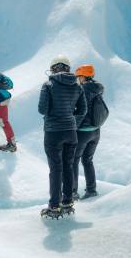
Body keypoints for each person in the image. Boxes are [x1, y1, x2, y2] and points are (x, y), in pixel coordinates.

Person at [38, 54, 87, 218]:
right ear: (68, 68)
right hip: (71, 132)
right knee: (68, 166)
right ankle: (67, 202)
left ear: (53, 69)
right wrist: (72, 121)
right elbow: (82, 110)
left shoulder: (48, 85)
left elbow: (42, 109)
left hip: (53, 132)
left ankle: (54, 206)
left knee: (55, 169)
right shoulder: (77, 86)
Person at [72, 64, 104, 200]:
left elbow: (77, 109)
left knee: (73, 161)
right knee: (88, 160)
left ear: (83, 76)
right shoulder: (98, 89)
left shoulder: (81, 90)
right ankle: (91, 190)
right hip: (96, 132)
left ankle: (72, 192)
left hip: (83, 132)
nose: (77, 79)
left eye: (78, 77)